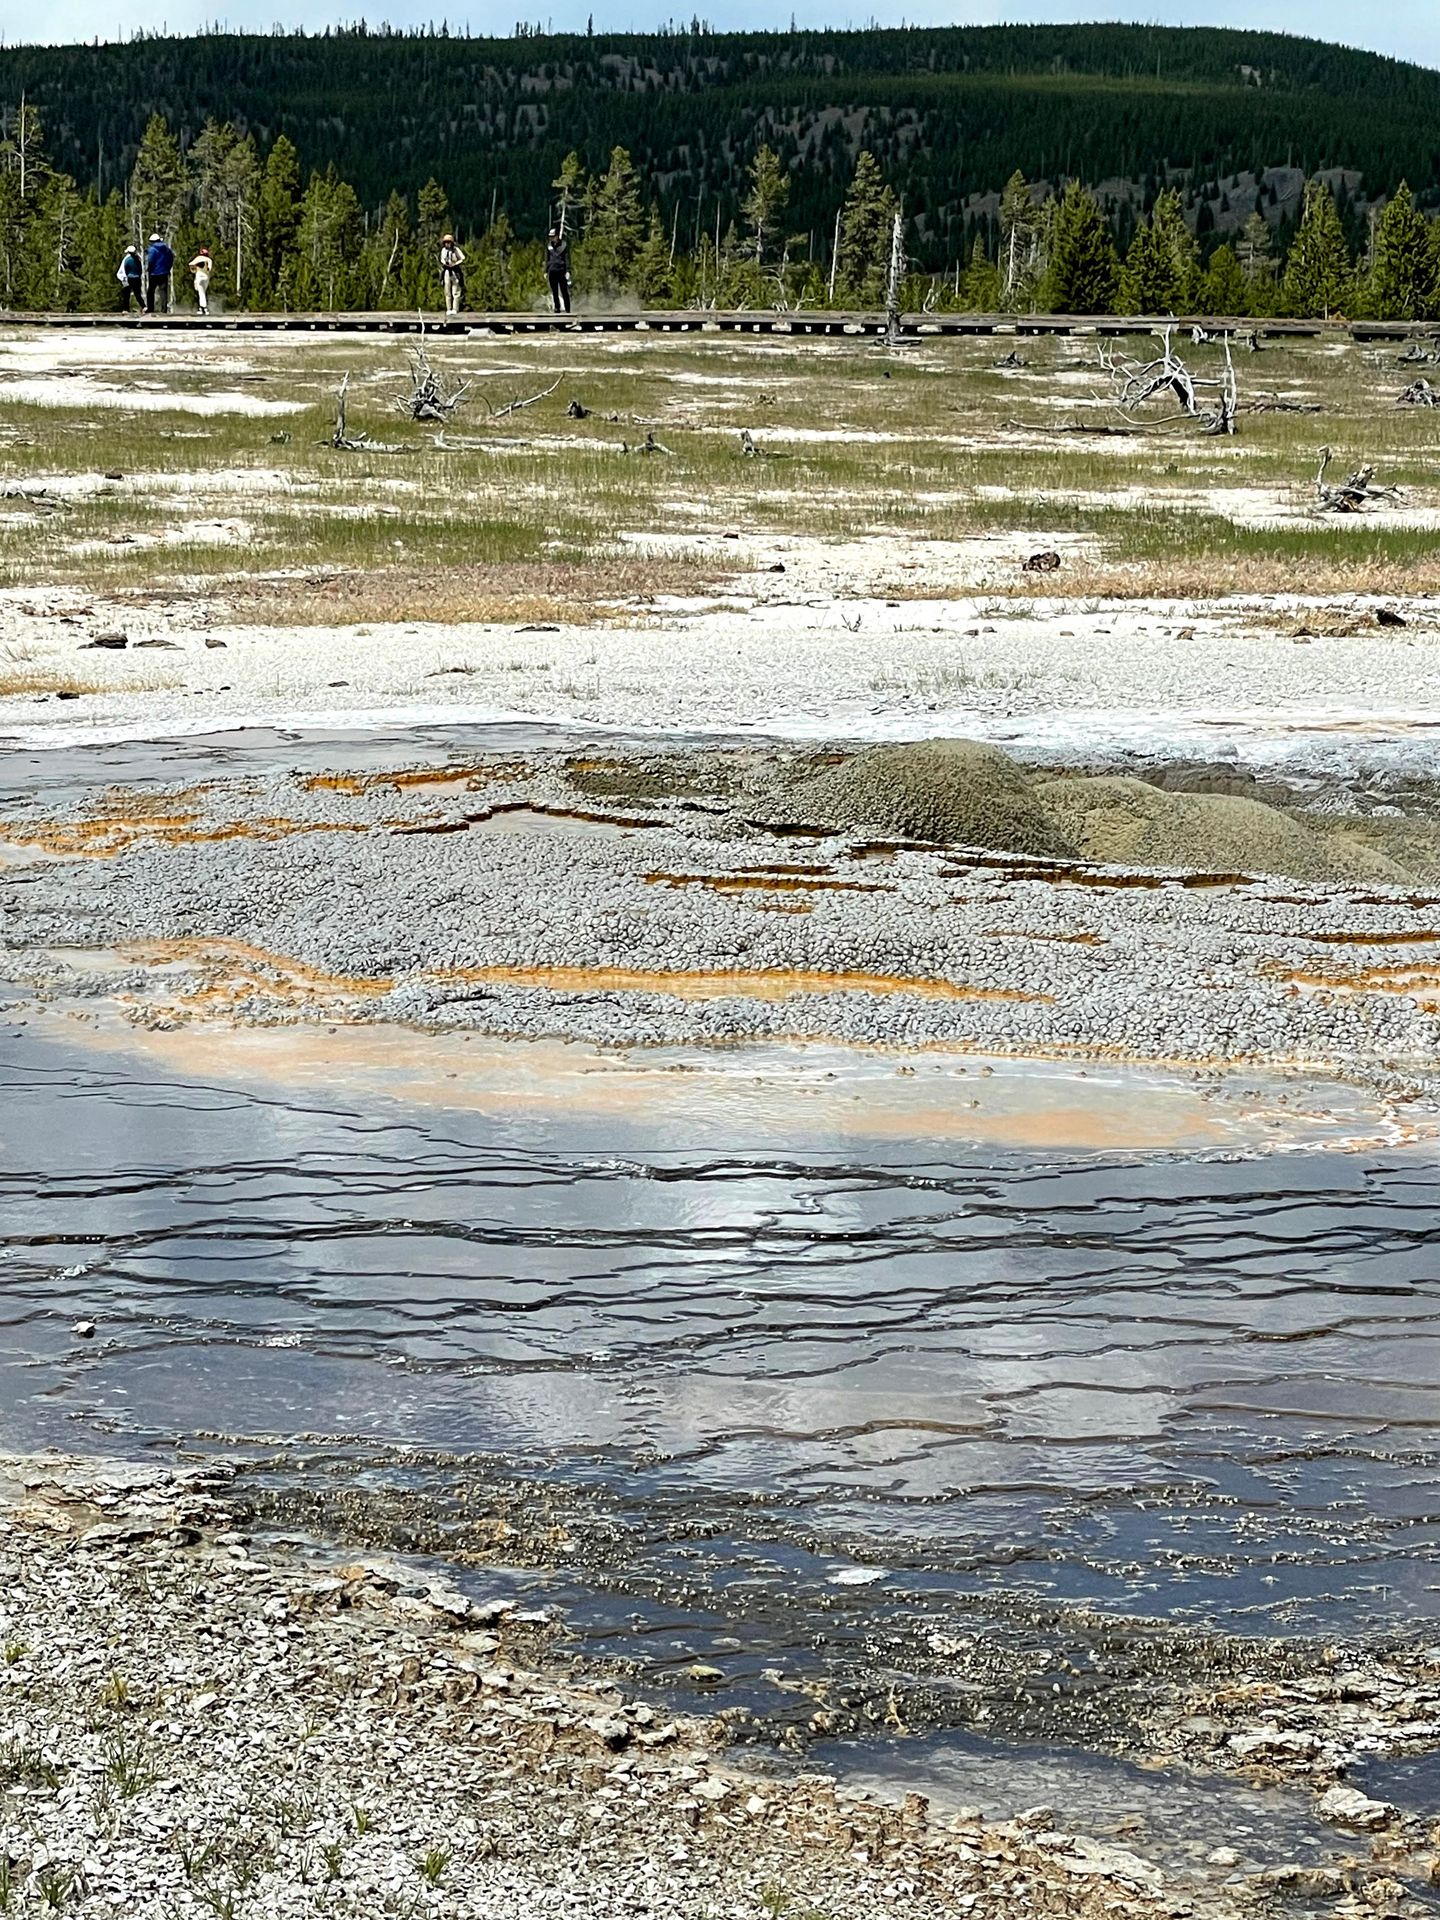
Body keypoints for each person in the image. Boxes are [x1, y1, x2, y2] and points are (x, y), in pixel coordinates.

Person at [144, 233, 174, 314]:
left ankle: (150, 308)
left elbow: (151, 260)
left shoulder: (152, 249)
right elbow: (171, 259)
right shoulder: (167, 249)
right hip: (164, 273)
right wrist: (168, 268)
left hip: (154, 273)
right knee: (163, 292)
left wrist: (149, 269)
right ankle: (164, 310)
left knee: (150, 291)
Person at [439, 232, 466, 315]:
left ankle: (455, 308)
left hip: (455, 270)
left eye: (448, 242)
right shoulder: (443, 250)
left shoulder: (456, 250)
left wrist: (456, 263)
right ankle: (448, 308)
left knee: (456, 290)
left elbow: (463, 258)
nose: (447, 244)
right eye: (445, 242)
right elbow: (441, 259)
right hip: (447, 270)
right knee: (447, 290)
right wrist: (445, 263)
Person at [546, 228, 571, 313]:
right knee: (554, 291)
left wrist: (568, 270)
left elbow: (567, 259)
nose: (551, 238)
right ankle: (557, 308)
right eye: (550, 237)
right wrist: (546, 271)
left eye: (552, 236)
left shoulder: (563, 245)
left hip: (561, 271)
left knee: (564, 291)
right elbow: (547, 258)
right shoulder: (549, 246)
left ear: (557, 236)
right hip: (552, 271)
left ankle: (567, 309)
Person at [116, 244, 143, 313]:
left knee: (126, 294)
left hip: (129, 278)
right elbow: (140, 269)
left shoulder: (127, 259)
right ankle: (144, 306)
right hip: (137, 278)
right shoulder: (138, 259)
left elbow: (124, 269)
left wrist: (123, 278)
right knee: (137, 294)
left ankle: (126, 309)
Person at [189, 246, 213, 315]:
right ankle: (202, 307)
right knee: (202, 292)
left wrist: (195, 267)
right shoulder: (209, 260)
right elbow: (209, 269)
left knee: (201, 292)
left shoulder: (198, 258)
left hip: (199, 276)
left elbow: (190, 264)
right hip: (206, 277)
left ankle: (204, 308)